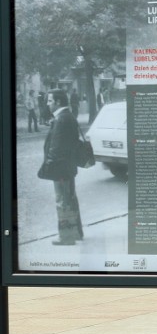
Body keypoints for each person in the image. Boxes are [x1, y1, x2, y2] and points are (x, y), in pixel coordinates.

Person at [40, 89, 83, 245]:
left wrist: (49, 165)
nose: (47, 104)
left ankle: (67, 237)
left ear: (58, 102)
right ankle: (76, 232)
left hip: (60, 169)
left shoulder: (61, 119)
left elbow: (56, 148)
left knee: (63, 201)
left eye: (50, 101)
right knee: (70, 199)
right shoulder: (67, 116)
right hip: (68, 167)